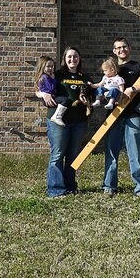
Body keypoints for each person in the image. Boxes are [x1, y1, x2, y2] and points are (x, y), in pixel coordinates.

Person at [37, 47, 91, 198]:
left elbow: (93, 94)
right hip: (58, 121)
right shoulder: (57, 74)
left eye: (75, 56)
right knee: (58, 154)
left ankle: (70, 187)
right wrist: (44, 94)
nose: (72, 59)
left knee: (73, 156)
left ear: (79, 59)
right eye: (69, 57)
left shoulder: (85, 77)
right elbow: (39, 85)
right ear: (64, 59)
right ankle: (55, 189)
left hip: (79, 122)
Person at [103, 37, 140, 198]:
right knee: (111, 151)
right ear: (114, 51)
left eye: (124, 47)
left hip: (134, 115)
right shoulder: (111, 68)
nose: (121, 50)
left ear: (129, 48)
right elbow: (102, 85)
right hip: (114, 115)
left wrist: (133, 88)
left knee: (136, 152)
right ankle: (109, 186)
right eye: (118, 48)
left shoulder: (137, 66)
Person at [34, 56, 69, 126]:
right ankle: (57, 117)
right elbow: (51, 88)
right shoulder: (45, 77)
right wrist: (53, 79)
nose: (51, 68)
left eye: (52, 66)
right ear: (42, 67)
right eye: (48, 66)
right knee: (65, 100)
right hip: (49, 99)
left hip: (50, 98)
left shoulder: (46, 76)